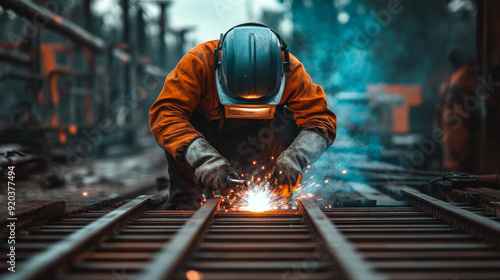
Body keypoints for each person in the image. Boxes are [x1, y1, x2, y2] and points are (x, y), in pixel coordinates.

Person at [150, 23, 337, 209]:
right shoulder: (198, 63)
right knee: (181, 131)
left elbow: (321, 120)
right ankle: (185, 203)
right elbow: (166, 114)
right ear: (219, 70)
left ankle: (277, 195)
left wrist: (294, 157)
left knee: (286, 120)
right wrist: (203, 158)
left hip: (260, 141)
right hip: (207, 141)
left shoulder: (290, 71)